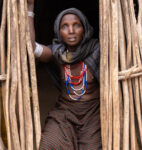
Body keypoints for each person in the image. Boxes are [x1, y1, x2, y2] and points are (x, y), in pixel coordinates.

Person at [28, 0, 101, 149]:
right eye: (65, 26)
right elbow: (32, 47)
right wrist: (29, 10)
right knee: (49, 144)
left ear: (85, 28)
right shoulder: (58, 54)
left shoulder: (97, 50)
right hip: (65, 113)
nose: (71, 30)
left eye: (76, 25)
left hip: (92, 113)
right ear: (59, 31)